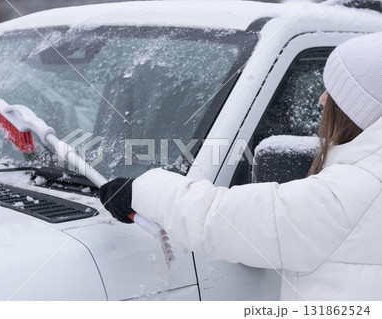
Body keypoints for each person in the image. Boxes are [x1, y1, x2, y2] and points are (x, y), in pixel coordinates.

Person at [99, 32, 382, 300]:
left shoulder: (353, 193)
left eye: (332, 91)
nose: (321, 99)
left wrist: (141, 189)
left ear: (356, 109)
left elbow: (218, 219)